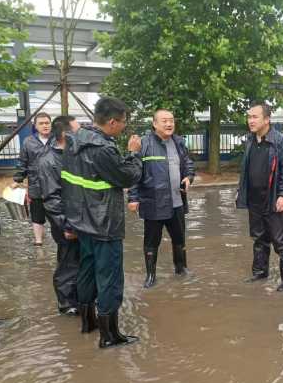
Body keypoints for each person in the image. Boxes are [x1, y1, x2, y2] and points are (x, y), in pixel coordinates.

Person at [61, 97, 143, 348]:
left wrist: (69, 222)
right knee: (109, 277)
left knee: (87, 270)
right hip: (104, 223)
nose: (124, 127)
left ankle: (89, 322)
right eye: (123, 123)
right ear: (112, 122)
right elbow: (127, 176)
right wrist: (133, 154)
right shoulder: (103, 148)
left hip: (82, 221)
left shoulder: (74, 141)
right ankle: (110, 336)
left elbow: (69, 183)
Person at [128, 109, 195, 288]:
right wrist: (133, 198)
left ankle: (181, 268)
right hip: (154, 202)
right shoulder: (144, 144)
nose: (169, 124)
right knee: (151, 241)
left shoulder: (179, 142)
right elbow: (134, 173)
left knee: (179, 238)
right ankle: (151, 275)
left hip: (177, 201)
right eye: (164, 121)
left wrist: (189, 177)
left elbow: (188, 163)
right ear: (154, 124)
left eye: (171, 120)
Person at [236, 103, 283, 292]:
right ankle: (260, 273)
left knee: (281, 242)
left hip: (272, 198)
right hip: (254, 199)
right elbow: (246, 168)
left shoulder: (279, 141)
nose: (250, 121)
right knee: (259, 238)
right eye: (249, 117)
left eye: (255, 117)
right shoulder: (250, 140)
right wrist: (241, 189)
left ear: (267, 120)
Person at [37, 116, 80, 316]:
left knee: (80, 259)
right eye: (77, 130)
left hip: (81, 219)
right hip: (66, 222)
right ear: (66, 134)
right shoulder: (48, 160)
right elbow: (51, 198)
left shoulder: (75, 155)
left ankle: (80, 297)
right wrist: (67, 226)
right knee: (68, 260)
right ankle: (66, 302)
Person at [12, 112, 53, 246]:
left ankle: (61, 238)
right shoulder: (29, 142)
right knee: (37, 213)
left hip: (55, 184)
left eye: (47, 123)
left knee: (57, 213)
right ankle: (38, 240)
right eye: (41, 123)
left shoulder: (57, 139)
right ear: (35, 126)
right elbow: (23, 162)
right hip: (36, 184)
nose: (45, 125)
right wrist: (17, 179)